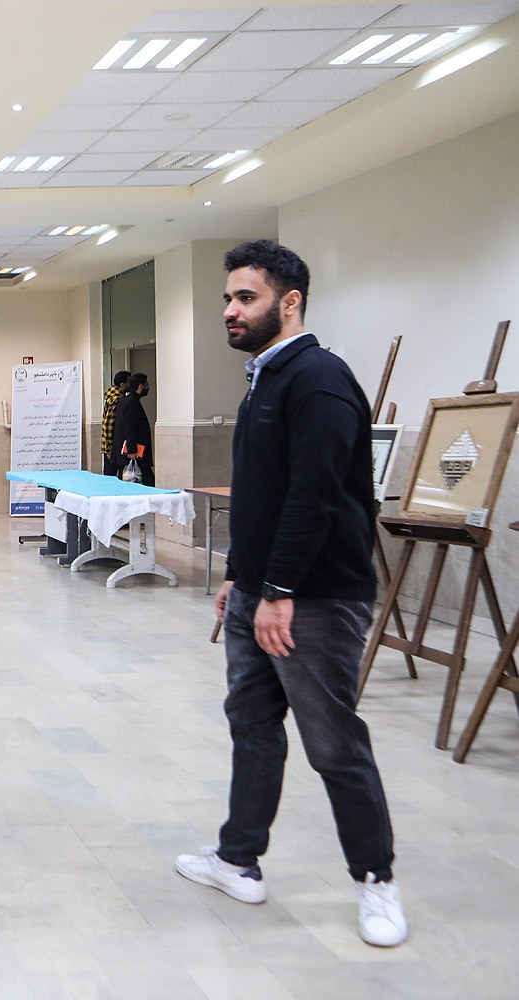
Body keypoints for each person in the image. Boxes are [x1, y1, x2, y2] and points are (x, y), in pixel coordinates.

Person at [175, 239, 407, 948]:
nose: (231, 310)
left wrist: (278, 591)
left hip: (314, 599)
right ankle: (237, 860)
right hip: (261, 591)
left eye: (246, 297)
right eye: (228, 298)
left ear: (290, 301)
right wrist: (240, 578)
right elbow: (263, 497)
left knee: (333, 742)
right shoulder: (265, 379)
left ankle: (377, 882)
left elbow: (315, 496)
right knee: (251, 724)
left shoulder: (319, 380)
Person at [111, 372, 153, 486]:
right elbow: (130, 428)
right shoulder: (132, 403)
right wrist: (132, 449)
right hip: (135, 453)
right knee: (146, 481)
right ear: (140, 386)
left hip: (125, 451)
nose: (148, 387)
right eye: (146, 385)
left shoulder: (124, 400)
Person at [100, 370, 130, 476]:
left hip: (110, 445)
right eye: (129, 382)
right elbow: (109, 424)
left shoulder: (111, 397)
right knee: (111, 476)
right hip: (113, 447)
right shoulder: (116, 400)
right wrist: (109, 449)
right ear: (122, 384)